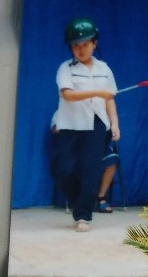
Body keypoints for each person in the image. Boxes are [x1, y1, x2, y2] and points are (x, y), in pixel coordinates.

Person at [51, 17, 120, 231]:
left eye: (85, 44)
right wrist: (97, 92)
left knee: (90, 170)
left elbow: (109, 99)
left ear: (94, 44)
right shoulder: (65, 69)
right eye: (76, 45)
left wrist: (115, 124)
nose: (81, 49)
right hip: (70, 125)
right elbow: (67, 95)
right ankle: (77, 202)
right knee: (63, 170)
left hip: (97, 125)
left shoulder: (104, 69)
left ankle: (83, 216)